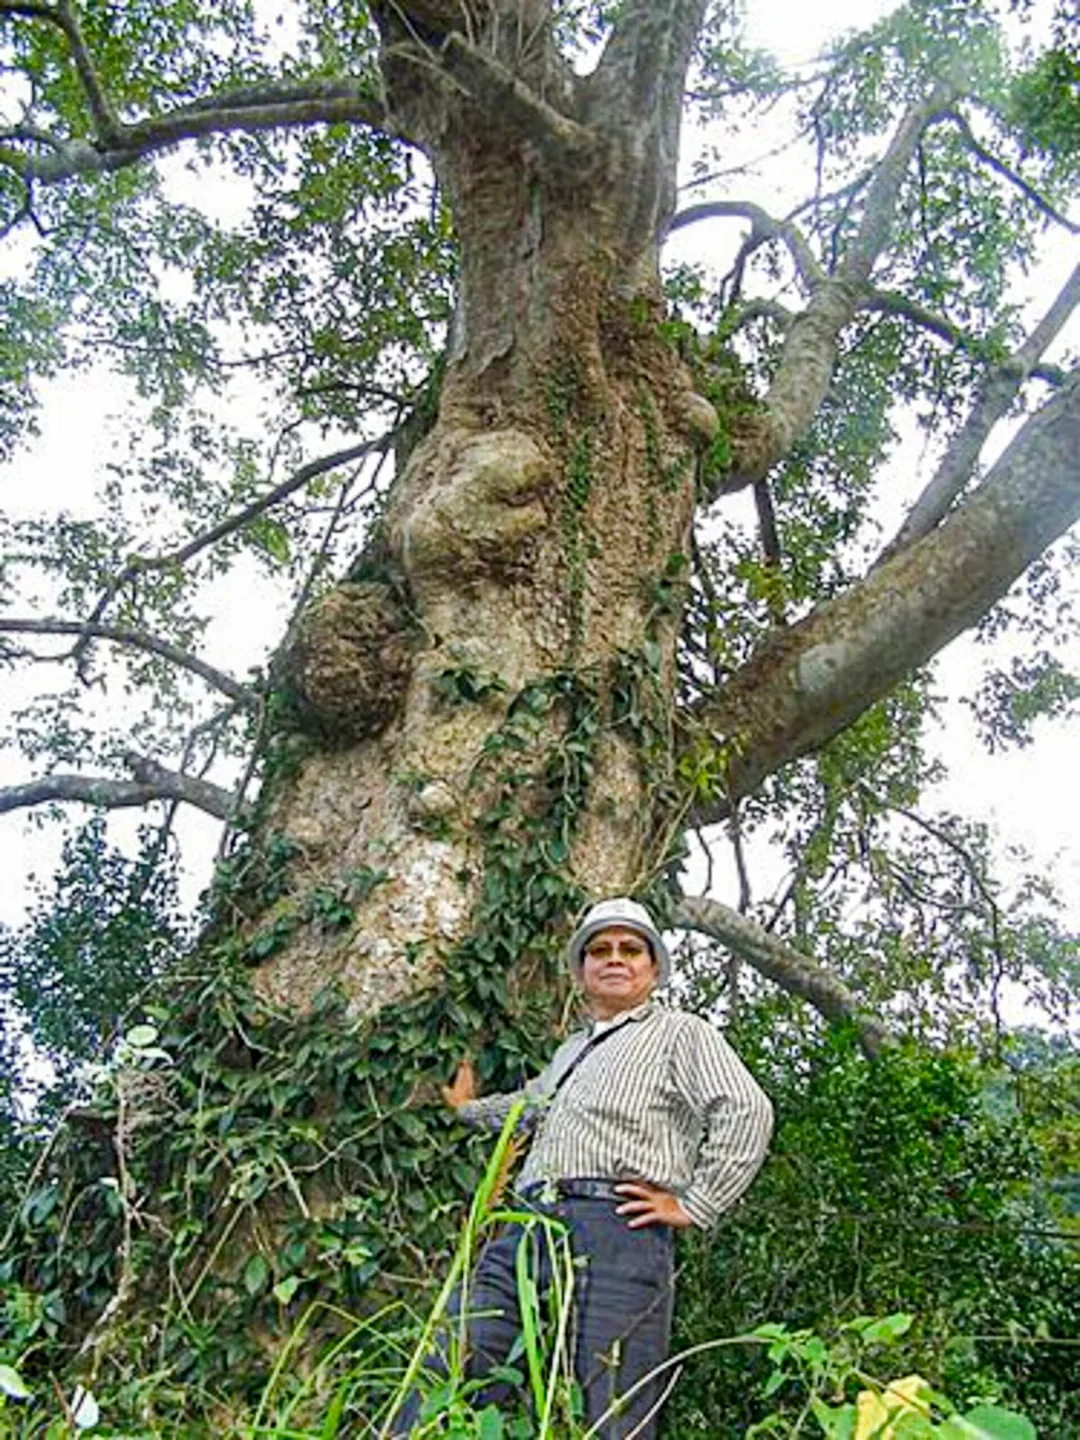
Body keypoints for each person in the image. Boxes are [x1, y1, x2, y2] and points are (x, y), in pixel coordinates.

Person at [396, 896, 773, 1437]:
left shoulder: (679, 1032)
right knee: (450, 1364)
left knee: (612, 1403)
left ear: (654, 968)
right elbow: (529, 1106)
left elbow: (746, 1108)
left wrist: (695, 1203)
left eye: (630, 949)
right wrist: (466, 1110)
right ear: (581, 971)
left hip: (617, 1228)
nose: (614, 958)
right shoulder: (571, 1051)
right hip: (526, 1227)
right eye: (600, 949)